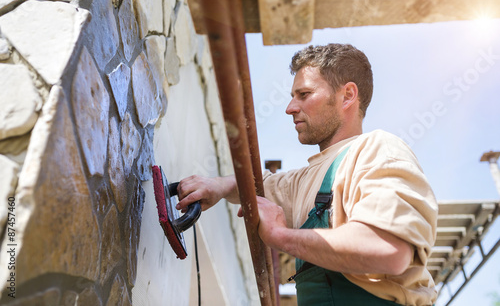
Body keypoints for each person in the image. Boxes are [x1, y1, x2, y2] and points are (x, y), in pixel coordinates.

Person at [176, 44, 438, 305]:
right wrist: (216, 186)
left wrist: (280, 236)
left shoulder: (376, 150)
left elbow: (387, 250)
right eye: (292, 96)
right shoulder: (304, 181)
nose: (290, 107)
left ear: (347, 95)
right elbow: (260, 185)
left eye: (304, 94)